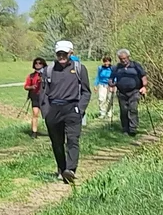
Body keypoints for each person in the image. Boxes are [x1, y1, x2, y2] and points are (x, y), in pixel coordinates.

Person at [40, 40, 90, 183]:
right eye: (59, 54)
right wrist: (46, 112)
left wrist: (79, 109)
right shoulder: (48, 70)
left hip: (72, 109)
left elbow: (86, 92)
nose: (61, 56)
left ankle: (71, 170)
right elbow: (43, 93)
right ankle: (62, 169)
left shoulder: (80, 69)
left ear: (71, 53)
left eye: (64, 53)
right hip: (54, 109)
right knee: (57, 142)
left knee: (73, 140)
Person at [111, 49, 148, 136]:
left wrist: (144, 87)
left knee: (133, 109)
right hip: (121, 92)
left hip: (135, 91)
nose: (123, 60)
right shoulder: (117, 67)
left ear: (128, 57)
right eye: (121, 59)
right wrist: (111, 85)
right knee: (124, 111)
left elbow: (143, 76)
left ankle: (133, 129)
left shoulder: (136, 66)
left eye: (125, 58)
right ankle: (125, 129)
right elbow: (111, 78)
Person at [24, 57, 47, 138]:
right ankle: (34, 132)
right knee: (35, 114)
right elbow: (26, 86)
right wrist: (31, 87)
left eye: (40, 63)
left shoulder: (47, 74)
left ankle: (52, 131)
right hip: (35, 97)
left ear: (43, 64)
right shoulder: (31, 76)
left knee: (47, 115)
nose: (38, 65)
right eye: (36, 63)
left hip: (45, 97)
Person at [90, 58, 115, 124]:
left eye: (108, 62)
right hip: (102, 85)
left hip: (110, 85)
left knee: (109, 99)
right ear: (103, 62)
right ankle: (102, 113)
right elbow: (98, 76)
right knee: (101, 99)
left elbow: (115, 77)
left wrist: (114, 85)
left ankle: (109, 112)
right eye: (105, 62)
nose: (107, 63)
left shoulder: (113, 68)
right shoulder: (100, 68)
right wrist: (95, 85)